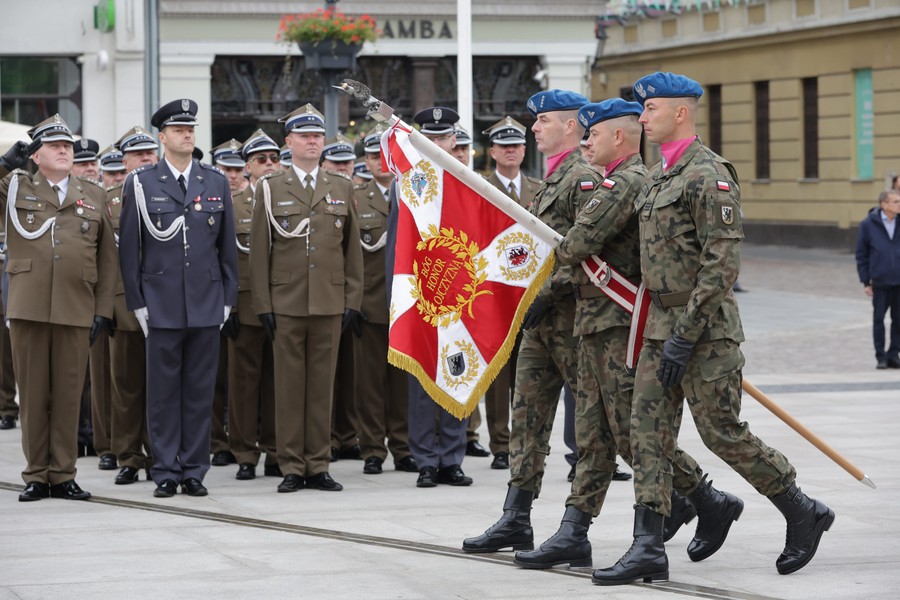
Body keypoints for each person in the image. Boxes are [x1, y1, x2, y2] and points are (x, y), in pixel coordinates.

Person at [592, 72, 835, 585]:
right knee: (646, 435)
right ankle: (647, 545)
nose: (642, 118)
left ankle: (801, 508)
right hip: (659, 325)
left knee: (721, 432)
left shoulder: (709, 175)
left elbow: (721, 263)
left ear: (681, 112)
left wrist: (686, 332)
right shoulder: (657, 177)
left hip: (705, 329)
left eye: (651, 109)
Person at [516, 98, 741, 570]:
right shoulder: (634, 179)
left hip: (625, 322)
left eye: (591, 134)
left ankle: (701, 499)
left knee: (632, 433)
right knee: (599, 432)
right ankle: (575, 530)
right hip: (597, 320)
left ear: (615, 136)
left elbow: (576, 244)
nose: (584, 143)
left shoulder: (629, 180)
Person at [463, 89, 599, 552]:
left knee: (605, 424)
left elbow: (585, 254)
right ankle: (515, 516)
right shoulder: (550, 180)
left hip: (575, 322)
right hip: (541, 326)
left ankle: (693, 495)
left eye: (542, 121)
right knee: (527, 419)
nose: (533, 129)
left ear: (569, 126)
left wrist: (545, 293)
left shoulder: (583, 179)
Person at [119, 99, 238, 499]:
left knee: (200, 391)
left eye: (191, 128)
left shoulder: (215, 181)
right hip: (161, 302)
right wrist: (137, 302)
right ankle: (165, 469)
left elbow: (227, 248)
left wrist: (226, 299)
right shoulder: (141, 183)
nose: (188, 134)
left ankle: (194, 469)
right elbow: (130, 249)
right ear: (162, 137)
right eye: (179, 129)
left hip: (206, 301)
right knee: (163, 393)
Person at [0, 115, 117, 502]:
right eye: (54, 145)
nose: (65, 149)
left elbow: (106, 259)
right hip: (29, 305)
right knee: (33, 395)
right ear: (36, 154)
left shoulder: (92, 193)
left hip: (75, 305)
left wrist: (102, 310)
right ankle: (36, 474)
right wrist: (4, 163)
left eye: (67, 144)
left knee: (69, 394)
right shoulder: (16, 186)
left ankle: (64, 473)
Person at [249, 104, 363, 493]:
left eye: (317, 135)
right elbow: (259, 251)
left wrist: (353, 298)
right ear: (289, 143)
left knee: (321, 386)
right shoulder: (269, 187)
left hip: (329, 300)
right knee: (288, 385)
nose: (312, 141)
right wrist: (262, 304)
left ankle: (318, 463)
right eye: (304, 135)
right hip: (287, 301)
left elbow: (352, 251)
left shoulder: (341, 186)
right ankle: (291, 464)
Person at [385, 106, 473, 488]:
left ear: (454, 141)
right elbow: (396, 247)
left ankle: (452, 458)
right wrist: (401, 295)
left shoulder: (471, 183)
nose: (437, 144)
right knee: (422, 379)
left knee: (458, 372)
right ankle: (424, 459)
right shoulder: (405, 184)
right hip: (420, 291)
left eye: (443, 138)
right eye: (430, 138)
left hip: (460, 292)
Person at [474, 116, 543, 471]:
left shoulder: (538, 188)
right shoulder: (479, 187)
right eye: (504, 146)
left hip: (530, 290)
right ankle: (500, 442)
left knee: (528, 373)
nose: (511, 151)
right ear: (493, 152)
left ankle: (525, 440)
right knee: (498, 373)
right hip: (494, 292)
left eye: (516, 145)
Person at [354, 125, 417, 476]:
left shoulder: (411, 192)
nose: (380, 162)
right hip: (369, 302)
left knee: (401, 382)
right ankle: (372, 449)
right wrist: (353, 301)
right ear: (366, 160)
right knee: (369, 383)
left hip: (404, 303)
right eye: (374, 156)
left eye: (385, 155)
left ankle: (403, 446)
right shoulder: (354, 196)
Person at [221, 133, 279, 480]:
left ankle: (275, 451)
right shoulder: (234, 204)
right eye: (261, 159)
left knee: (278, 384)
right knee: (243, 385)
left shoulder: (290, 197)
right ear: (247, 167)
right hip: (244, 305)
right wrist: (225, 308)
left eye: (274, 157)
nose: (269, 163)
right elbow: (222, 259)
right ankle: (244, 452)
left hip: (283, 304)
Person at [107, 125, 159, 485]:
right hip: (124, 307)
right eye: (138, 154)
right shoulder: (106, 199)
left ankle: (160, 454)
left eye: (149, 153)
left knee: (162, 387)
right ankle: (128, 456)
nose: (145, 158)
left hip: (163, 305)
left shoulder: (171, 192)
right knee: (126, 388)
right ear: (124, 160)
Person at [855, 189, 900, 369]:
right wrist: (866, 281)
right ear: (884, 204)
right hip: (879, 281)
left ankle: (893, 355)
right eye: (896, 202)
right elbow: (861, 254)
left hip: (899, 281)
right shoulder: (868, 224)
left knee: (899, 320)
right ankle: (880, 356)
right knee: (878, 319)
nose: (899, 205)